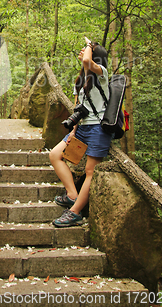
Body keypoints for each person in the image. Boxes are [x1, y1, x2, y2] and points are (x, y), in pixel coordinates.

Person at [49, 37, 112, 227]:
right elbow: (78, 109)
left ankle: (75, 212)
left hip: (98, 129)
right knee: (54, 155)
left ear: (95, 56)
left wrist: (89, 44)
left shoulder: (103, 74)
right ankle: (72, 194)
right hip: (82, 128)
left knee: (90, 171)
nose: (83, 53)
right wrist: (73, 132)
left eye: (87, 50)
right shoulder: (82, 80)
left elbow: (87, 62)